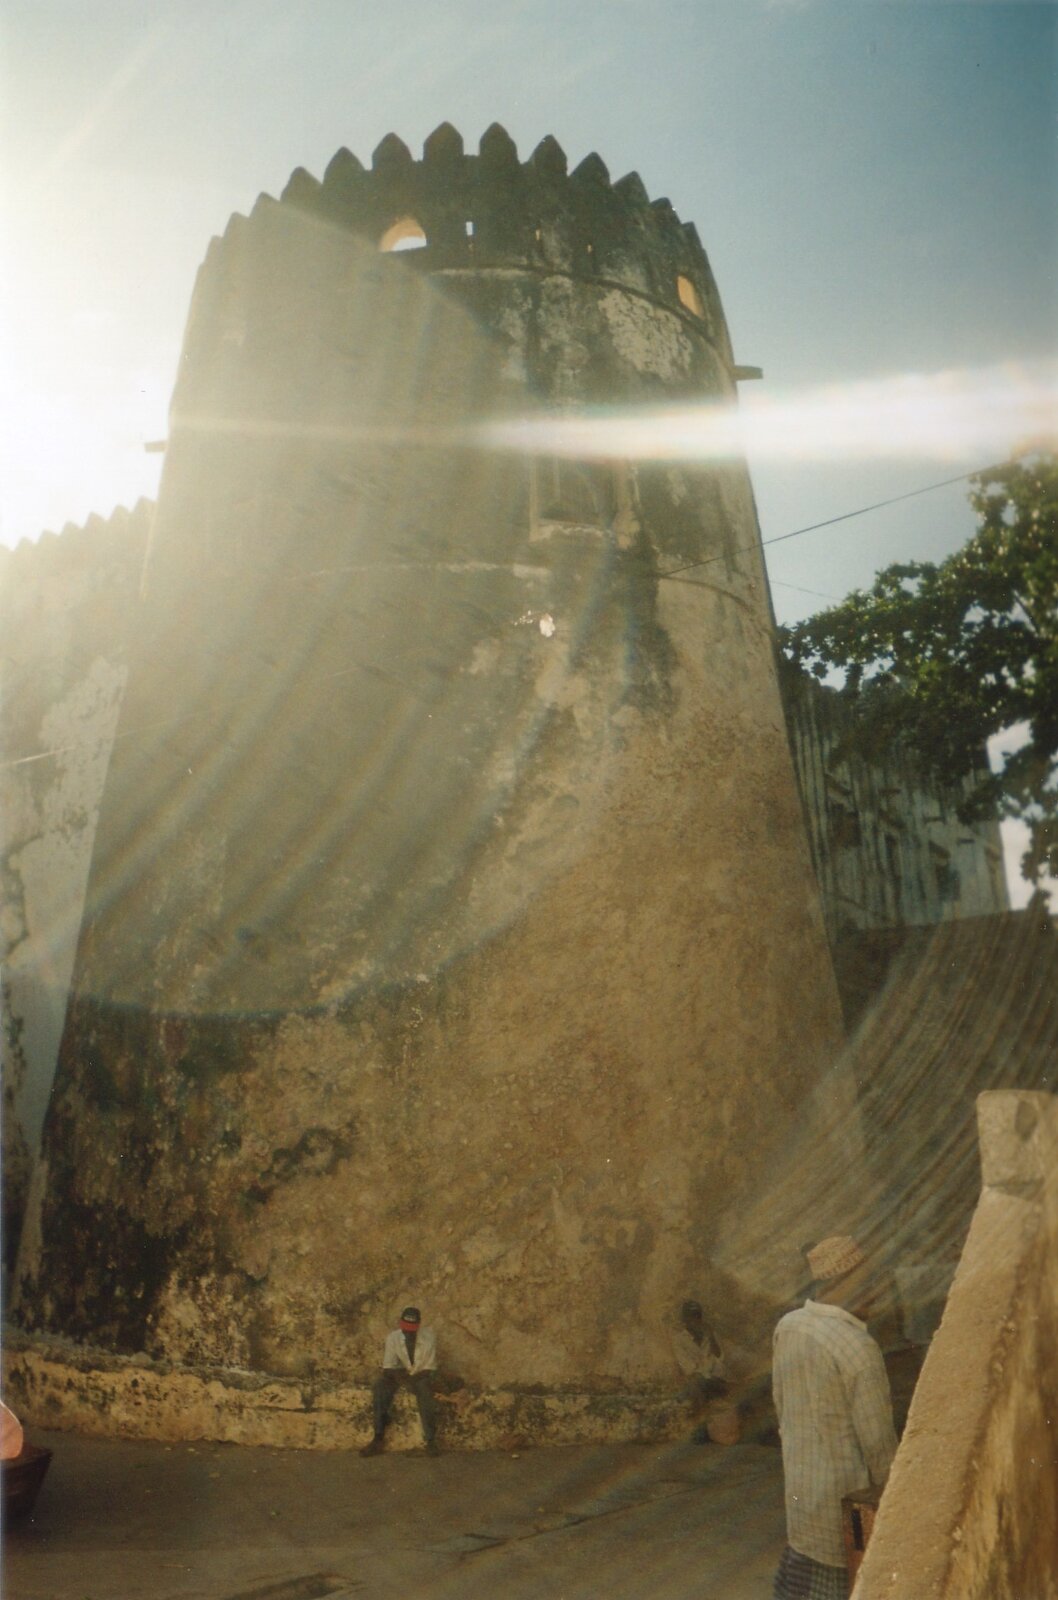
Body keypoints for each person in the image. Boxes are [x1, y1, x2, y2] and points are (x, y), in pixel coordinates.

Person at [771, 1236, 897, 1600]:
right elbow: (879, 1447)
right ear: (841, 1283)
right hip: (848, 1506)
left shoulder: (789, 1327)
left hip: (801, 1496)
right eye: (867, 1283)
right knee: (850, 1578)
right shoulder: (858, 1348)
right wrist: (896, 1501)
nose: (874, 1294)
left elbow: (781, 1406)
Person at [360, 1305, 439, 1457]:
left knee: (425, 1390)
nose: (408, 1333)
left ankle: (431, 1440)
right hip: (400, 1374)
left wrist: (411, 1381)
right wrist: (403, 1380)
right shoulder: (393, 1338)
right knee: (380, 1387)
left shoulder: (429, 1338)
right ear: (401, 1325)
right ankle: (378, 1438)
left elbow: (429, 1369)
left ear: (418, 1327)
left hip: (421, 1375)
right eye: (405, 1329)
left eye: (411, 1330)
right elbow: (388, 1368)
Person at [672, 1298, 741, 1445]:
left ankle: (719, 1429)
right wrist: (705, 1375)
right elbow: (689, 1367)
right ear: (685, 1320)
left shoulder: (709, 1334)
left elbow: (720, 1357)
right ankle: (703, 1428)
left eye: (697, 1317)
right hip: (699, 1378)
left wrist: (711, 1336)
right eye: (691, 1318)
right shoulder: (680, 1340)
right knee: (696, 1385)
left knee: (727, 1392)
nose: (695, 1321)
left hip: (716, 1375)